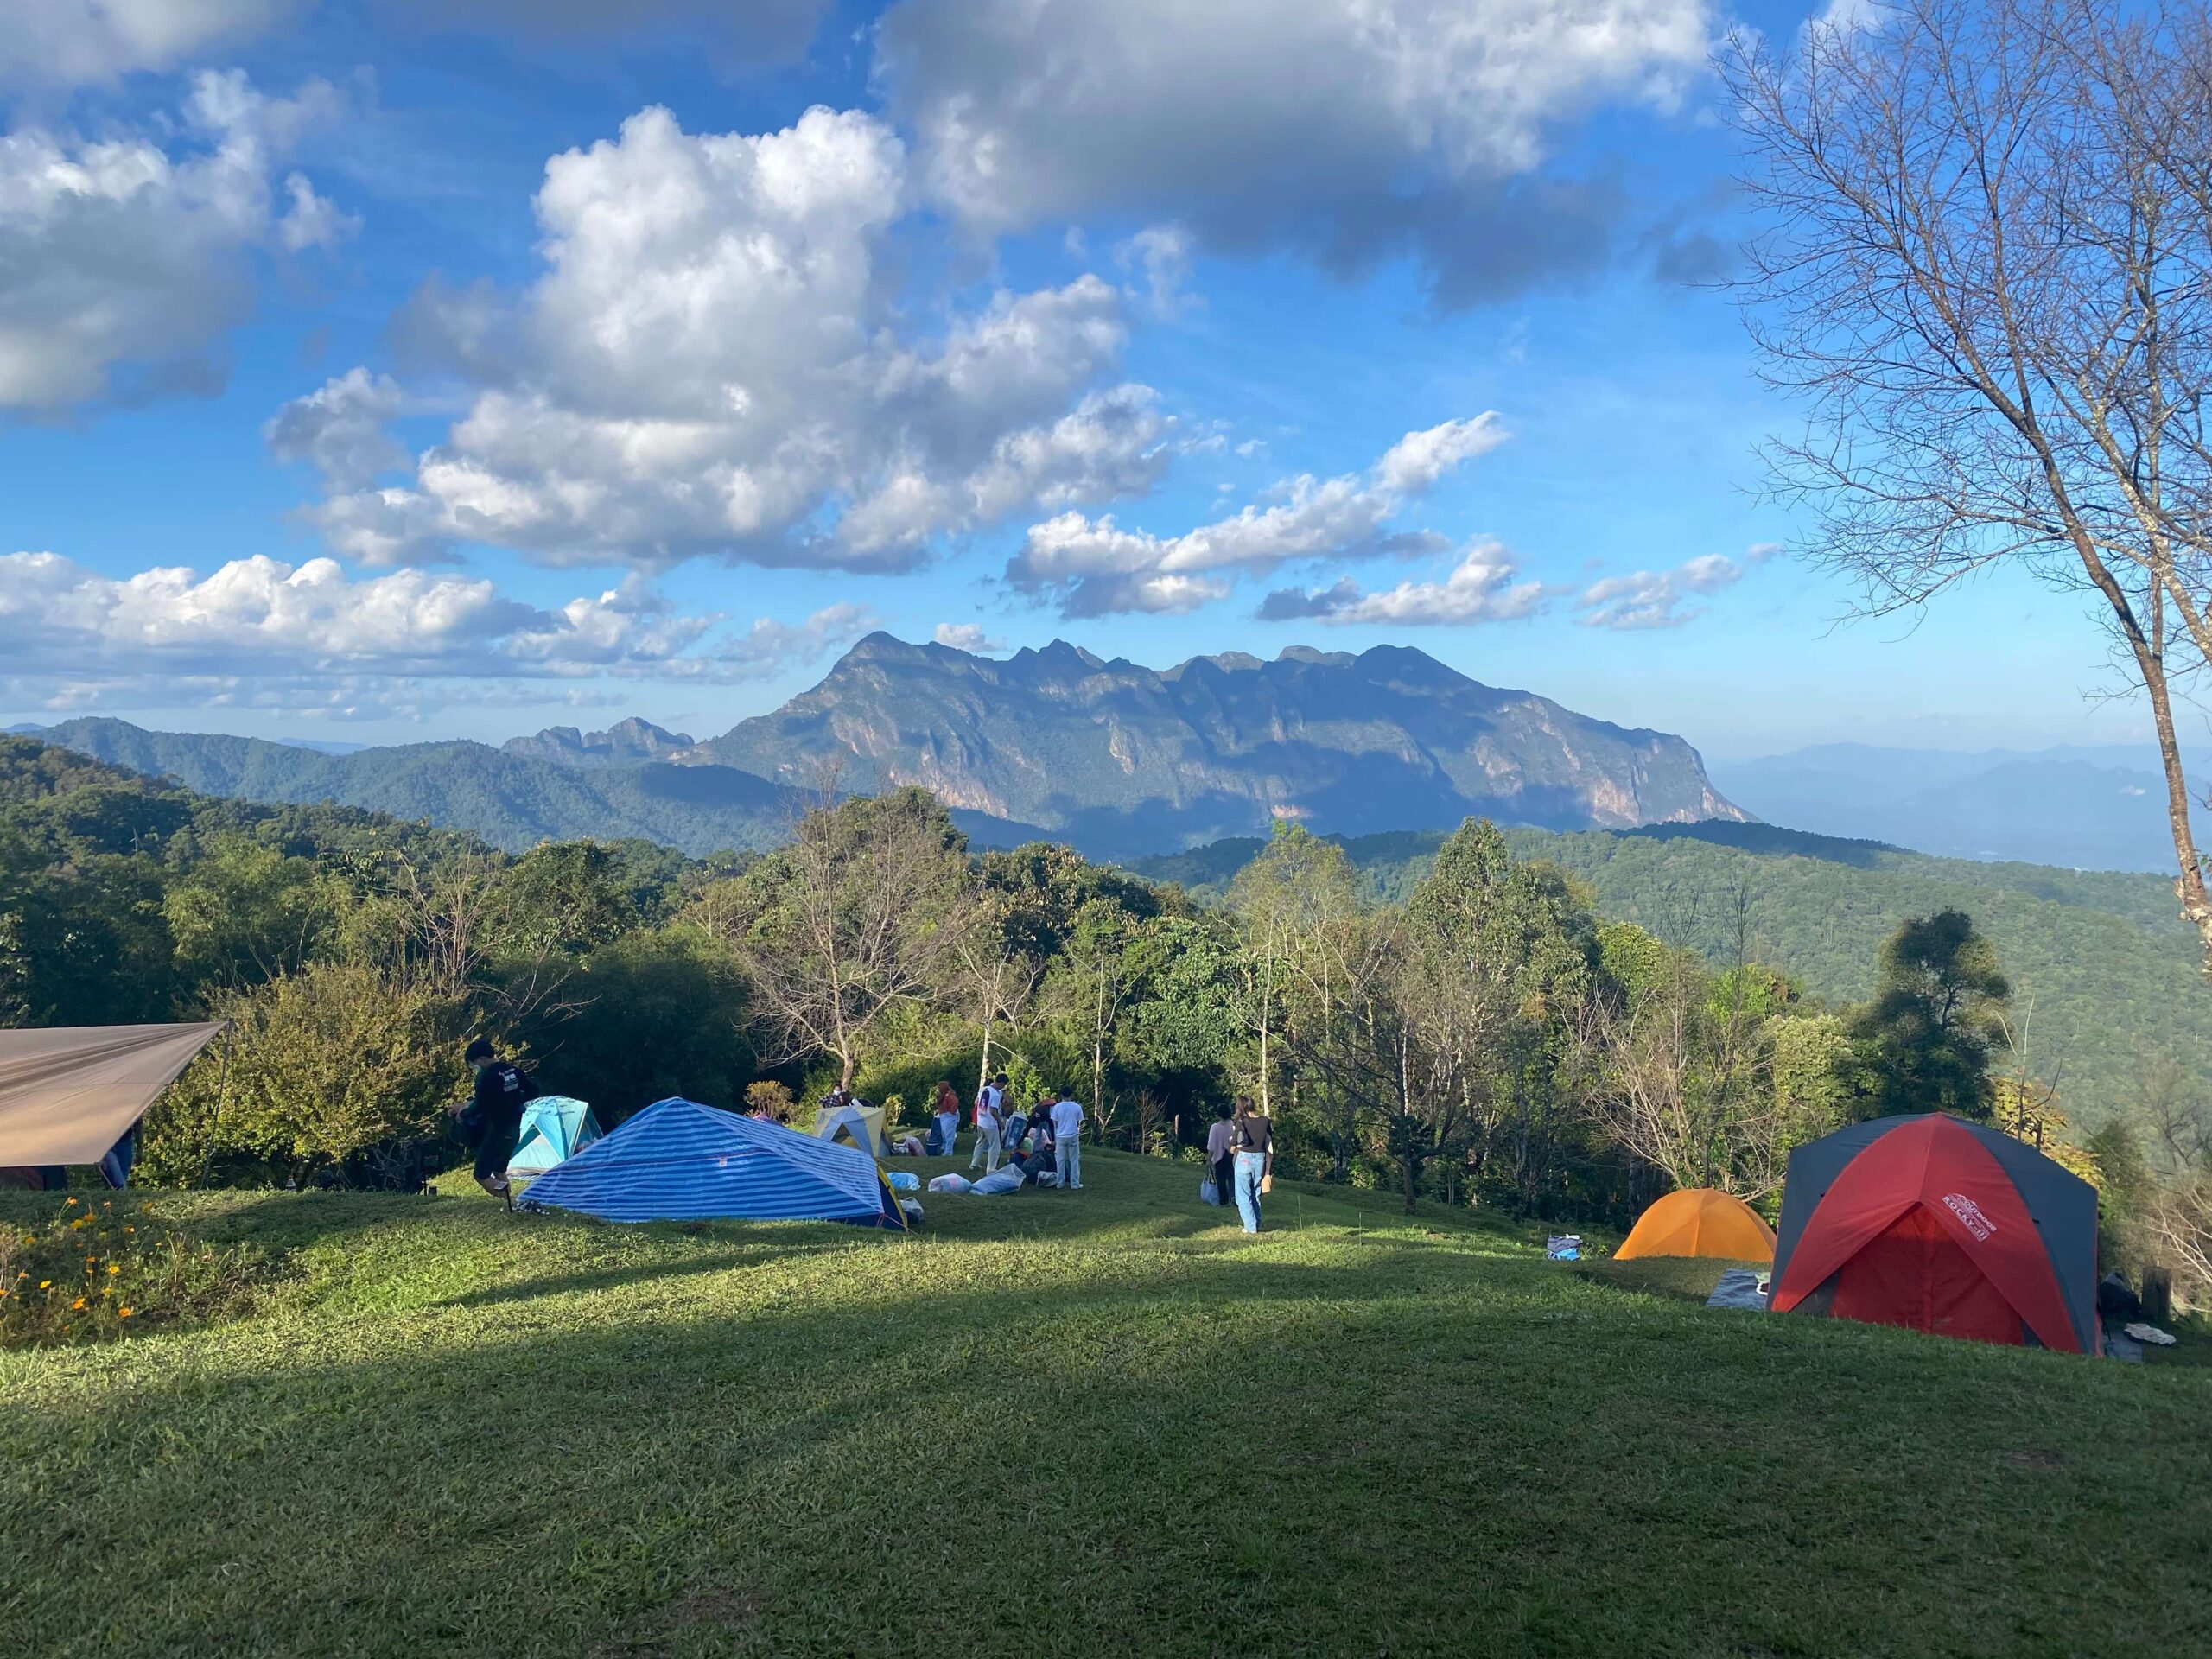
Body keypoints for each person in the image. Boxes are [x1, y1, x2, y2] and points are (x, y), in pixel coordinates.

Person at [456, 1037, 533, 1198]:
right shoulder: (513, 1071)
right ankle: (510, 1205)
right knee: (499, 1170)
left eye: (474, 1063)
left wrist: (463, 1114)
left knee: (481, 1174)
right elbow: (533, 1090)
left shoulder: (486, 1076)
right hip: (514, 1128)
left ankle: (507, 1200)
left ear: (482, 1059)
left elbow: (481, 1105)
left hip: (496, 1130)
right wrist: (514, 1103)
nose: (475, 1067)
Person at [1228, 1095, 1272, 1234]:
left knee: (1243, 1194)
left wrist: (1234, 1146)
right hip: (1260, 1158)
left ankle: (1250, 1226)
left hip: (1244, 1158)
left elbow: (1234, 1141)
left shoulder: (1242, 1121)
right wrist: (1268, 1170)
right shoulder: (1265, 1121)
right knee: (1256, 1193)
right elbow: (1269, 1141)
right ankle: (1256, 1222)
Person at [1048, 1088, 1085, 1192]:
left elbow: (1054, 1122)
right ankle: (1075, 1183)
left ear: (1061, 1095)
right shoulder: (1077, 1107)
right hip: (1073, 1134)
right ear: (1071, 1095)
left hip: (1060, 1136)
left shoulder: (1057, 1107)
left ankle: (1060, 1183)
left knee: (1060, 1160)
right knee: (1074, 1160)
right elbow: (1078, 1122)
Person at [969, 1073, 1005, 1173]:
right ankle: (991, 1169)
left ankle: (974, 1163)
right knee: (995, 1146)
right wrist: (1000, 1122)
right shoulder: (996, 1094)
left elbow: (977, 1103)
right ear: (1001, 1083)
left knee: (980, 1142)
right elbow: (993, 1111)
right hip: (990, 1124)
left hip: (981, 1121)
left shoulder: (984, 1089)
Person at [1205, 1100, 1236, 1209]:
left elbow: (1211, 1145)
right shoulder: (1232, 1125)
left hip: (1219, 1156)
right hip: (1230, 1154)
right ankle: (1234, 1198)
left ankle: (1224, 1200)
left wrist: (1209, 1159)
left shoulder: (1215, 1127)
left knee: (1220, 1178)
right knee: (1231, 1177)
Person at [931, 1082, 960, 1160]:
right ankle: (947, 1150)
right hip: (944, 1116)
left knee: (949, 1135)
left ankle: (948, 1152)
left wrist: (951, 1112)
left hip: (949, 1116)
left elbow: (955, 1103)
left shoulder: (949, 1095)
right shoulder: (943, 1095)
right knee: (945, 1134)